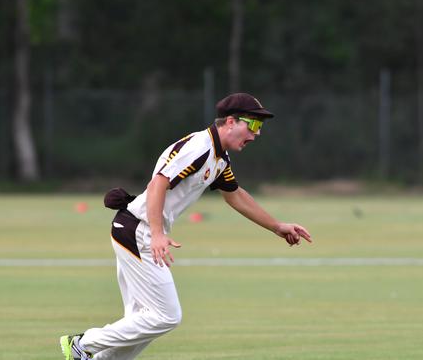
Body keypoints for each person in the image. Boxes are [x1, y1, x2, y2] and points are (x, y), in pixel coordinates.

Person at [60, 92, 312, 360]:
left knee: (141, 323)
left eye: (259, 127)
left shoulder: (219, 158)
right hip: (139, 231)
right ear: (230, 121)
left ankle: (92, 355)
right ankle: (83, 343)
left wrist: (277, 226)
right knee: (166, 316)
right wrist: (157, 234)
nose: (256, 134)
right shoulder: (199, 148)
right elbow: (159, 183)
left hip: (136, 229)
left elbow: (234, 194)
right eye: (253, 125)